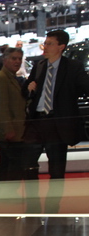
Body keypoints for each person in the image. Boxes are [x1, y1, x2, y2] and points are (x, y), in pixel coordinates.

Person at [24, 29, 89, 211]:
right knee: (28, 165)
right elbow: (26, 90)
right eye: (45, 43)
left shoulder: (73, 67)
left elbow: (85, 87)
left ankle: (53, 209)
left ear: (61, 47)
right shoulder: (40, 66)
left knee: (57, 170)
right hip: (37, 121)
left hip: (58, 123)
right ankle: (33, 207)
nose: (46, 47)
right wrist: (28, 88)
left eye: (50, 43)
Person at [0, 48, 29, 186]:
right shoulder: (2, 78)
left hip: (18, 130)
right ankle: (7, 196)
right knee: (11, 166)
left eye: (19, 59)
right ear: (5, 60)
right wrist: (8, 129)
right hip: (11, 132)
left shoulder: (13, 78)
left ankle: (7, 195)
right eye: (14, 58)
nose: (17, 61)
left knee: (11, 165)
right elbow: (2, 106)